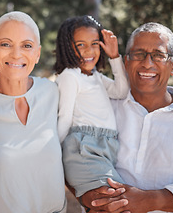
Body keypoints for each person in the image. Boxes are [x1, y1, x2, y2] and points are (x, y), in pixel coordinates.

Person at [80, 22, 173, 212]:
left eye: (158, 55)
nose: (147, 63)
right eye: (138, 54)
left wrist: (152, 200)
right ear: (126, 62)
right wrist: (86, 196)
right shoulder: (100, 107)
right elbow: (73, 155)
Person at [0, 11, 66, 213]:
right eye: (5, 44)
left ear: (37, 53)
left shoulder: (53, 93)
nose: (16, 54)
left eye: (27, 46)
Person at [54, 15, 129, 198]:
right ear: (67, 47)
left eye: (95, 43)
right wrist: (55, 157)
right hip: (84, 149)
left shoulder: (94, 75)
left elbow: (121, 91)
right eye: (80, 45)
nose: (89, 51)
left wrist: (114, 56)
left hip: (106, 149)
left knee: (113, 199)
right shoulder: (70, 76)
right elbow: (64, 118)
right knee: (116, 197)